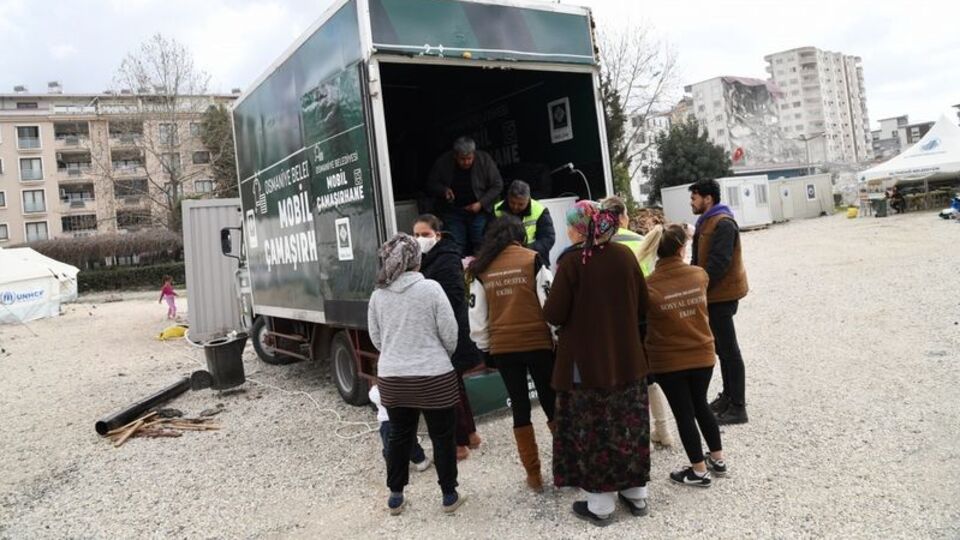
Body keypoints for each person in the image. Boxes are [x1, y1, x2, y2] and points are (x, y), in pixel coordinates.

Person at [543, 201, 651, 525]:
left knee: (592, 431)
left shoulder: (574, 261)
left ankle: (600, 506)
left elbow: (553, 313)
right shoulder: (625, 256)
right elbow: (644, 304)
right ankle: (636, 494)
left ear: (578, 228)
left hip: (585, 367)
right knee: (628, 426)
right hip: (628, 359)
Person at [367, 234, 466, 515]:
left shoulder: (378, 295)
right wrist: (438, 355)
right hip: (433, 375)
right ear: (415, 260)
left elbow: (376, 339)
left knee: (399, 434)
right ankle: (448, 495)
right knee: (443, 436)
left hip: (393, 377)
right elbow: (450, 332)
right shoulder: (431, 289)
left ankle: (396, 496)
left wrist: (396, 353)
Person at [467, 217, 556, 492]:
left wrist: (486, 349)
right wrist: (557, 338)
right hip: (539, 345)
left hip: (504, 349)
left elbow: (477, 318)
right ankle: (567, 468)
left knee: (520, 408)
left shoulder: (480, 270)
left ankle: (534, 475)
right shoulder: (534, 259)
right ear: (520, 236)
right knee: (552, 404)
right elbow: (549, 304)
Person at [644, 224, 727, 488]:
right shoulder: (700, 275)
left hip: (669, 361)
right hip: (703, 354)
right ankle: (718, 458)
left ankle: (698, 471)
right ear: (682, 248)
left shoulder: (649, 287)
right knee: (701, 405)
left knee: (683, 413)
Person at [601, 196, 674, 448]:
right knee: (649, 375)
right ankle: (663, 430)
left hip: (612, 320)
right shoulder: (641, 241)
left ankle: (630, 435)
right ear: (623, 217)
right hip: (642, 316)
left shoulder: (597, 246)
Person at [413, 214, 483, 461]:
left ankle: (459, 444)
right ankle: (471, 435)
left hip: (451, 332)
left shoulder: (445, 259)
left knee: (448, 388)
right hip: (446, 330)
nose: (420, 239)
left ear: (437, 235)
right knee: (457, 385)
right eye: (417, 235)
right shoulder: (430, 258)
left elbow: (453, 299)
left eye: (424, 234)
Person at [689, 179, 750, 425]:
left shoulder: (723, 223)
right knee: (722, 350)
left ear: (708, 199)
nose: (691, 203)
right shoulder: (707, 221)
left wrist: (697, 286)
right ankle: (727, 397)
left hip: (722, 296)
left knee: (729, 350)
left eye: (694, 198)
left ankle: (738, 406)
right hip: (712, 295)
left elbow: (719, 264)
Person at [426, 136, 504, 256]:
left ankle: (481, 272)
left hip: (478, 212)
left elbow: (497, 185)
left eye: (469, 158)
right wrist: (444, 190)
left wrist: (481, 203)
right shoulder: (443, 162)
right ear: (455, 155)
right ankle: (458, 272)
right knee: (456, 245)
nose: (466, 162)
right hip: (453, 211)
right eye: (462, 159)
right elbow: (431, 184)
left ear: (474, 154)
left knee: (481, 243)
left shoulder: (484, 160)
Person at [369, 384, 433, 473]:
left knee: (389, 446)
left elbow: (372, 395)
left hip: (386, 423)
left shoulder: (376, 391)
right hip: (402, 420)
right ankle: (420, 460)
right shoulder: (400, 387)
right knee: (410, 443)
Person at [493, 180, 556, 265]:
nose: (515, 207)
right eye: (512, 202)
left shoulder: (540, 210)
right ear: (508, 197)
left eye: (520, 204)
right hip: (504, 258)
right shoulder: (497, 210)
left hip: (534, 259)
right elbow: (489, 237)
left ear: (528, 199)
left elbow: (548, 239)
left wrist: (524, 248)